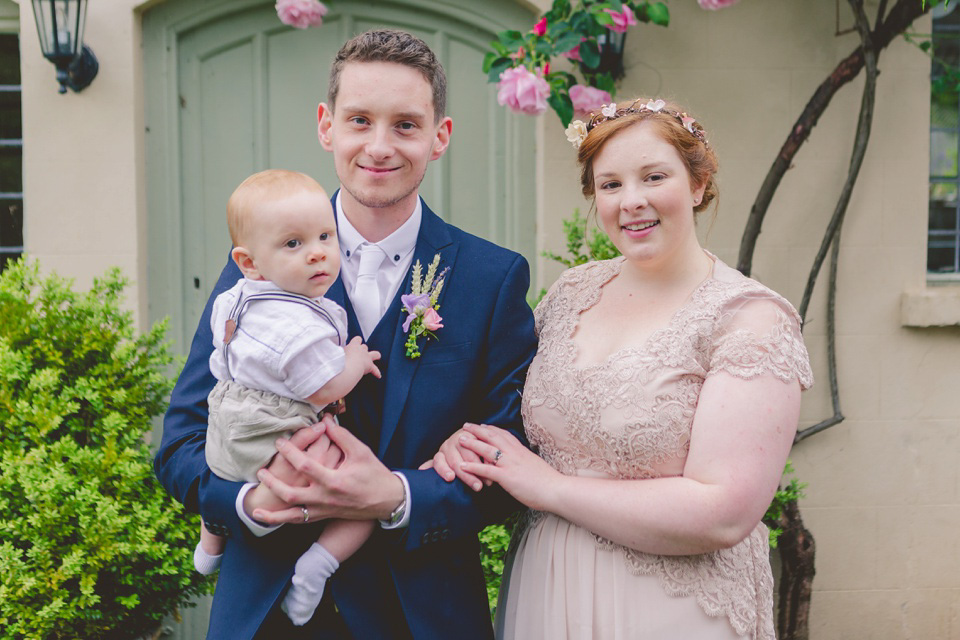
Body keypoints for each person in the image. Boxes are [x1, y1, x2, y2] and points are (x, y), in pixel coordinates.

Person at [154, 29, 537, 640]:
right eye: (360, 120)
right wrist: (248, 505)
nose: (379, 146)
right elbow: (180, 443)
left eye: (406, 125)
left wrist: (396, 495)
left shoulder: (492, 279)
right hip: (264, 612)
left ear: (439, 137)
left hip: (420, 614)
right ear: (327, 126)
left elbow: (514, 466)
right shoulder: (254, 267)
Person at [428, 98, 814, 640]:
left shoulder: (749, 320)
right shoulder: (571, 292)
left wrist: (548, 488)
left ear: (698, 184)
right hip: (547, 591)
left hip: (670, 606)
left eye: (653, 177)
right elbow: (515, 418)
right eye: (610, 185)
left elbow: (722, 511)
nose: (631, 201)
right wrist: (467, 444)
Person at [192, 169, 382, 627]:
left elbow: (224, 362)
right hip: (280, 435)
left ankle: (210, 541)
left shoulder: (236, 298)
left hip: (228, 428)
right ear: (249, 261)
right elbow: (324, 388)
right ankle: (317, 566)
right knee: (364, 507)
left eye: (324, 235)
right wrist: (353, 362)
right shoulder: (299, 324)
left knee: (221, 469)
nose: (317, 252)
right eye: (293, 244)